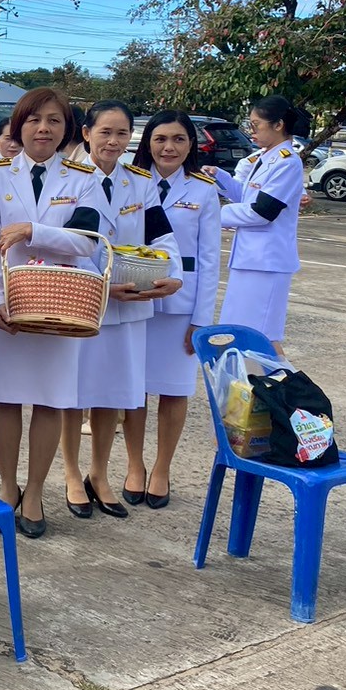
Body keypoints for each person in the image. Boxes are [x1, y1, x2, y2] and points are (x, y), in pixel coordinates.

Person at [0, 87, 102, 539]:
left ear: (67, 129)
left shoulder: (84, 177)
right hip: (8, 306)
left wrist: (34, 230)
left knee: (50, 399)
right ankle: (7, 487)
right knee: (6, 398)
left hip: (60, 308)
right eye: (33, 120)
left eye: (53, 120)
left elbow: (87, 242)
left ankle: (34, 492)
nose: (43, 129)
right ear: (18, 126)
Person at [59, 101, 181, 520]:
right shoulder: (68, 178)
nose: (113, 141)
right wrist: (101, 285)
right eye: (105, 132)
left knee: (111, 393)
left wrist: (172, 274)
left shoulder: (139, 182)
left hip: (131, 304)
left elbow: (161, 236)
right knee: (74, 394)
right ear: (87, 133)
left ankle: (99, 473)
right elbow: (67, 244)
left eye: (122, 133)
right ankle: (71, 474)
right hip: (85, 302)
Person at [121, 111, 221, 509]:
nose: (168, 147)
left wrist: (201, 320)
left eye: (178, 139)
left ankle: (162, 468)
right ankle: (134, 465)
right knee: (134, 389)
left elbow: (210, 260)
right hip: (135, 297)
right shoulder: (130, 181)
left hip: (181, 305)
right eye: (160, 139)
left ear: (191, 144)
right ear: (147, 143)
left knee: (175, 389)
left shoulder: (203, 190)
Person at [210, 96, 309, 354]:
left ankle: (280, 379)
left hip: (267, 262)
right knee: (239, 333)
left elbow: (262, 212)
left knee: (262, 338)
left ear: (278, 125)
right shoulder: (265, 158)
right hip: (250, 258)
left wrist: (213, 215)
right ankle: (257, 379)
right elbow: (247, 197)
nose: (251, 131)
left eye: (256, 125)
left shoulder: (287, 162)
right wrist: (219, 177)